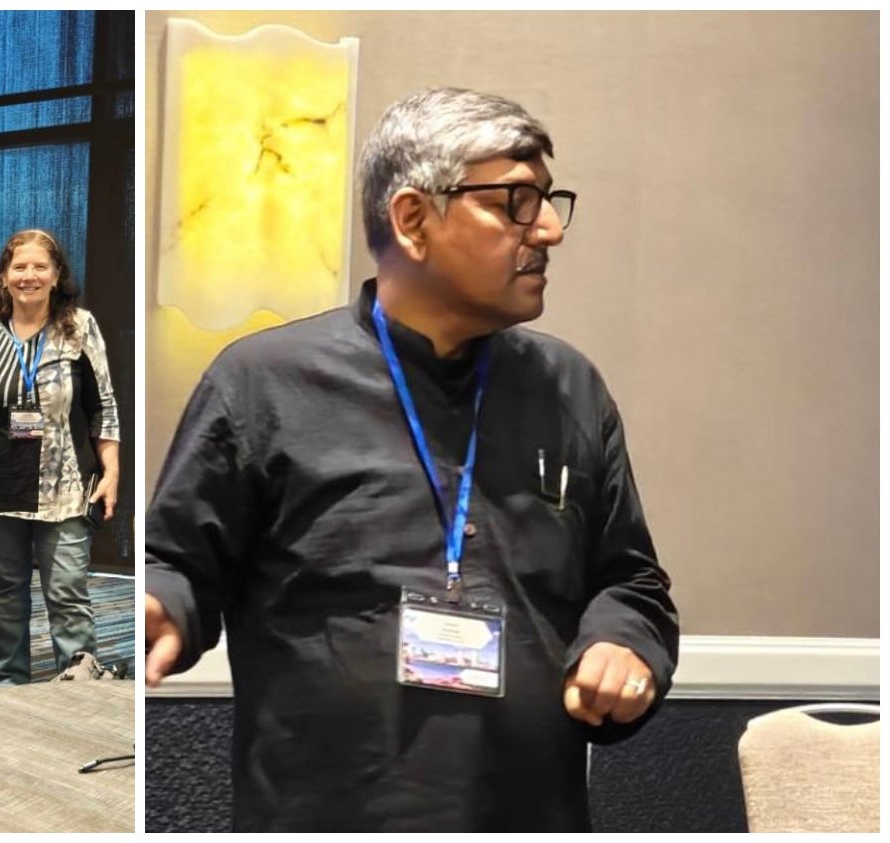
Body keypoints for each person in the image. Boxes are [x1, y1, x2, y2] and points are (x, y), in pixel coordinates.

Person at [145, 88, 680, 831]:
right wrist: (162, 602)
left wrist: (624, 641)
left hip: (527, 814)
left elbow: (631, 580)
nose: (550, 230)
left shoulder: (570, 389)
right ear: (413, 220)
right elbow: (179, 561)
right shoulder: (262, 384)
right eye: (517, 202)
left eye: (549, 200)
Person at [0, 229, 121, 687]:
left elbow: (102, 405)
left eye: (40, 266)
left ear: (56, 274)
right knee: (7, 593)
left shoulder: (78, 326)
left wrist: (112, 471)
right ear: (4, 277)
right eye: (19, 266)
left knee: (67, 593)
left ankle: (80, 687)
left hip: (63, 488)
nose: (29, 275)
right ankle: (9, 684)